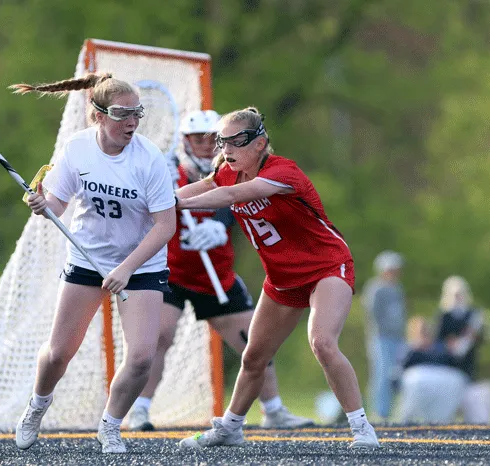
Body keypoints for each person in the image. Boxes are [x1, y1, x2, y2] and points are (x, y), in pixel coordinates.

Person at [175, 107, 380, 449]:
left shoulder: (284, 172)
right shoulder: (227, 172)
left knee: (322, 342)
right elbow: (200, 189)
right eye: (222, 142)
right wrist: (151, 201)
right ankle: (230, 428)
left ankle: (362, 428)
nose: (227, 150)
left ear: (260, 143)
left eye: (237, 142)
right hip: (282, 277)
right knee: (254, 357)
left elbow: (227, 197)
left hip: (326, 267)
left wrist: (173, 204)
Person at [9, 73, 177, 454]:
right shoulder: (77, 149)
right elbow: (56, 205)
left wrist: (127, 268)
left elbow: (166, 226)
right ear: (97, 115)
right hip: (88, 258)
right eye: (122, 114)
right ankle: (37, 406)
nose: (131, 123)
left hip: (142, 265)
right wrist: (42, 206)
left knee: (141, 358)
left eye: (137, 114)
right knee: (58, 353)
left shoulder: (149, 159)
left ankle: (110, 425)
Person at [128, 110, 313, 431]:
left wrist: (218, 223)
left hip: (216, 271)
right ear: (185, 141)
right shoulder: (168, 171)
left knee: (254, 342)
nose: (204, 146)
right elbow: (155, 205)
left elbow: (236, 197)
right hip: (171, 271)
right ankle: (140, 410)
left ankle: (274, 410)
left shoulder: (235, 169)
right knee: (159, 335)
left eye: (210, 139)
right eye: (196, 139)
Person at [435, 275, 490, 423]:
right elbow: (438, 340)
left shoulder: (473, 314)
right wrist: (450, 344)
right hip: (449, 363)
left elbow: (482, 337)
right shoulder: (444, 316)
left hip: (468, 362)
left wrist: (474, 337)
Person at [361, 251, 407, 421]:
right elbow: (373, 314)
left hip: (397, 338)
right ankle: (379, 411)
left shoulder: (397, 289)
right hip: (381, 338)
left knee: (396, 375)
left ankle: (391, 409)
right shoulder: (376, 288)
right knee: (381, 374)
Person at [397, 316, 469, 424]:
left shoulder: (440, 348)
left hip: (442, 380)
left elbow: (452, 363)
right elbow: (400, 368)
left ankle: (444, 419)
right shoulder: (410, 349)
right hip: (419, 379)